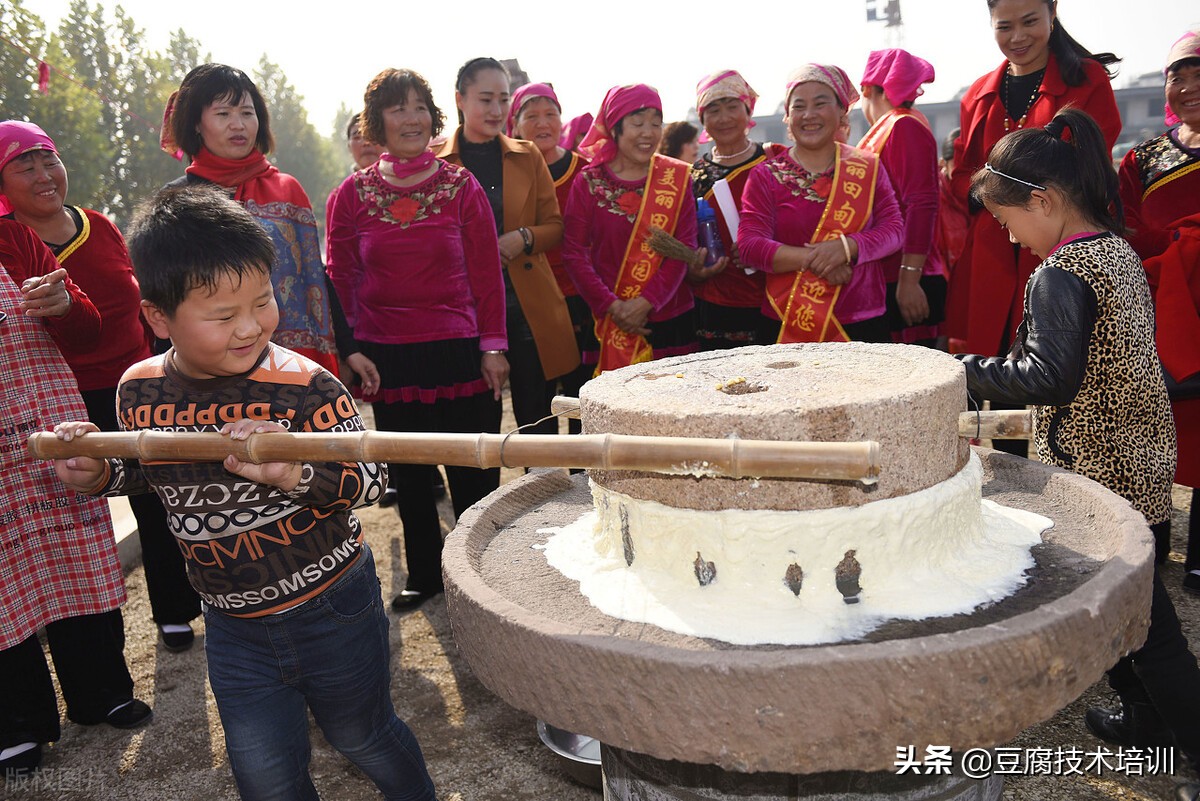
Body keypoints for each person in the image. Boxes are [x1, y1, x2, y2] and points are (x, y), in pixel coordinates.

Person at [52, 186, 438, 801]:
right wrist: (97, 470)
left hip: (330, 605)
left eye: (263, 302)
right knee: (264, 775)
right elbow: (148, 471)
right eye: (223, 315)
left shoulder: (305, 385)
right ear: (157, 317)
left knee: (362, 735)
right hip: (232, 623)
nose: (252, 325)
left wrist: (292, 470)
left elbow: (370, 479)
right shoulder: (140, 391)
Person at [954, 107, 1200, 798]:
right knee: (1122, 610)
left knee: (1148, 628)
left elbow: (1047, 376)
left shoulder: (1061, 272)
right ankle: (1147, 720)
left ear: (1045, 201)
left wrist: (965, 369)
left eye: (1009, 222)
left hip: (1103, 472)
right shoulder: (1115, 249)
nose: (1011, 236)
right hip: (1142, 457)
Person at [0, 120, 201, 652]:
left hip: (139, 382)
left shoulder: (97, 224)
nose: (44, 175)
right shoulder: (12, 249)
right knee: (88, 505)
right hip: (70, 398)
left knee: (162, 494)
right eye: (24, 166)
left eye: (49, 160)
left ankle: (176, 608)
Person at [327, 68, 509, 613]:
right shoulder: (351, 195)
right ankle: (426, 573)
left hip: (460, 347)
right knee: (409, 470)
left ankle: (485, 570)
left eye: (418, 107)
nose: (410, 118)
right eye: (396, 108)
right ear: (376, 122)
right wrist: (351, 347)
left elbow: (485, 273)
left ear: (433, 116)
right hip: (389, 356)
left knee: (473, 469)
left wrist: (494, 345)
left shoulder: (460, 187)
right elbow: (341, 278)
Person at [0, 218, 151, 778]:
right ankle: (16, 723)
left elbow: (88, 331)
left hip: (47, 423)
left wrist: (63, 303)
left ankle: (101, 692)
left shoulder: (12, 238)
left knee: (75, 557)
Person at [946, 0, 1121, 458]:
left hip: (1057, 245)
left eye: (1030, 22)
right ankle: (1000, 472)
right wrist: (994, 196)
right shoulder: (979, 93)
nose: (1018, 36)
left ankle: (1044, 470)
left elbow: (1092, 165)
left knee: (1049, 367)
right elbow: (964, 172)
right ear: (991, 25)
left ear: (1052, 13)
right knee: (994, 371)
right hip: (995, 244)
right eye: (1005, 26)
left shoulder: (1087, 79)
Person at [162, 63, 375, 391]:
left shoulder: (286, 189)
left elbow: (313, 275)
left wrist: (350, 350)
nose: (238, 125)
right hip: (209, 374)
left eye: (247, 113)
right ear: (196, 124)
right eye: (223, 114)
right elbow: (166, 295)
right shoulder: (178, 200)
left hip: (293, 367)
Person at [437, 57, 578, 437]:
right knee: (476, 420)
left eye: (503, 99)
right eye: (486, 99)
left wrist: (522, 239)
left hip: (526, 304)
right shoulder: (439, 163)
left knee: (537, 417)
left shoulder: (526, 154)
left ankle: (546, 493)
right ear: (460, 100)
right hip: (465, 308)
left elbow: (555, 227)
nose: (497, 110)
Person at [739, 64, 904, 344]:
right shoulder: (765, 175)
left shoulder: (867, 166)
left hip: (862, 320)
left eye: (820, 103)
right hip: (787, 318)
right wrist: (821, 258)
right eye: (798, 106)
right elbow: (750, 247)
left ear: (841, 111)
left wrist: (847, 248)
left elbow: (894, 230)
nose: (809, 115)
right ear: (788, 117)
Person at [1117, 30, 1200, 589]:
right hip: (1162, 305)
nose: (1188, 85)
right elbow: (1121, 227)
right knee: (1154, 427)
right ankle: (1155, 540)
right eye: (1178, 74)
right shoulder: (1145, 157)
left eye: (1199, 73)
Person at [562, 84, 699, 375]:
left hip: (669, 318)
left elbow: (683, 250)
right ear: (615, 127)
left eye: (655, 122)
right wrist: (613, 307)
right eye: (637, 123)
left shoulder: (677, 177)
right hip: (608, 320)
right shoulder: (588, 182)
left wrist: (646, 302)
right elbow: (574, 253)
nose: (648, 132)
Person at [509, 82, 592, 430]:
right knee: (534, 400)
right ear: (515, 124)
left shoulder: (586, 170)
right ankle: (539, 480)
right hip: (531, 298)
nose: (543, 123)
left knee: (582, 396)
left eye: (550, 114)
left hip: (580, 296)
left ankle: (583, 477)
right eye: (532, 116)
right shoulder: (506, 171)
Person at [689, 69, 785, 349]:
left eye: (732, 107)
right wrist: (695, 269)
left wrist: (765, 250)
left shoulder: (776, 159)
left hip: (777, 295)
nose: (724, 118)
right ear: (703, 119)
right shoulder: (694, 175)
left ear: (748, 110)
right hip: (716, 302)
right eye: (713, 110)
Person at [857, 49, 946, 348]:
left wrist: (909, 279)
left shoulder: (903, 125)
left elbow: (922, 204)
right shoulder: (889, 126)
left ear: (866, 89)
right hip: (889, 274)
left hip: (907, 277)